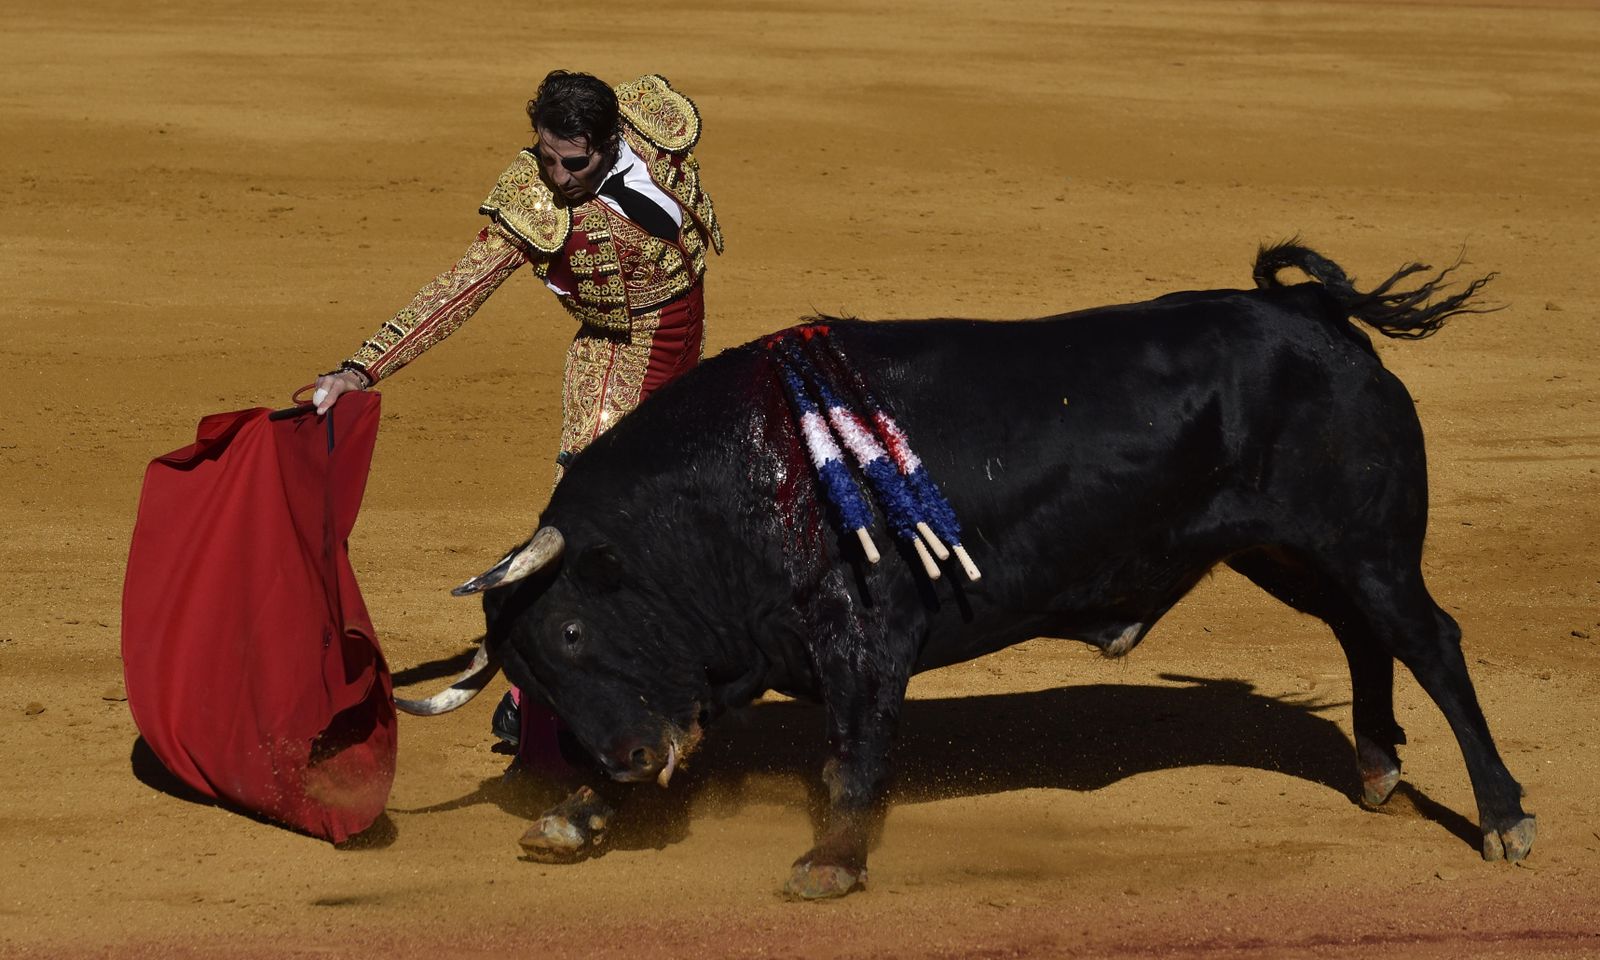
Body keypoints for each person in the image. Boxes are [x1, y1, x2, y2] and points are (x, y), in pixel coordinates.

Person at [308, 69, 724, 767]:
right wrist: (361, 368)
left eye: (574, 161)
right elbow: (456, 292)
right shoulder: (533, 199)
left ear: (612, 138)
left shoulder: (653, 127)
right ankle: (531, 696)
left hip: (687, 342)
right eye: (546, 156)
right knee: (588, 534)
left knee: (684, 508)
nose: (556, 175)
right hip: (618, 365)